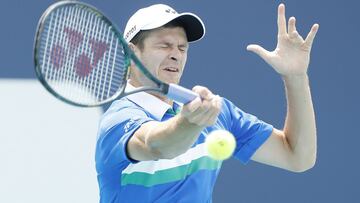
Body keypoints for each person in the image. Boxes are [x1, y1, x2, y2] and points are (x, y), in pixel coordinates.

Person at [95, 3, 319, 203]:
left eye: (182, 48)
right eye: (164, 45)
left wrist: (296, 77)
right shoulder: (118, 120)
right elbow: (159, 145)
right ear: (132, 53)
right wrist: (190, 122)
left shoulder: (217, 112)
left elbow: (297, 157)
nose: (176, 55)